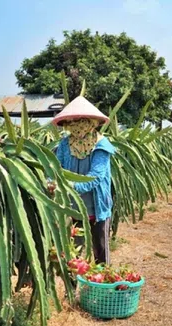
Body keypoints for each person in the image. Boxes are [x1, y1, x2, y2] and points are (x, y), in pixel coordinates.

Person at [53, 96, 115, 264]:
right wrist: (51, 183)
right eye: (72, 122)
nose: (76, 125)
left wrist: (71, 186)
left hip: (96, 206)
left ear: (91, 122)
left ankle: (103, 285)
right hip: (71, 207)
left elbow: (96, 176)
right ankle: (71, 288)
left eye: (81, 121)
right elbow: (56, 168)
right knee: (73, 253)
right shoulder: (65, 145)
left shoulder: (101, 145)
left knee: (100, 250)